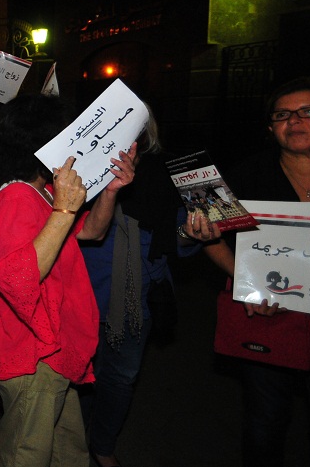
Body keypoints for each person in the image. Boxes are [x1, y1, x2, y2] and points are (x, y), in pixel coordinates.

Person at [0, 93, 136, 467]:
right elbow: (18, 280)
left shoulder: (40, 191)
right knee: (26, 455)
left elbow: (93, 232)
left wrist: (110, 190)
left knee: (67, 449)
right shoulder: (15, 195)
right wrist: (64, 208)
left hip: (51, 346)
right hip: (31, 352)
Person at [78, 105, 213, 467]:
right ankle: (76, 439)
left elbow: (180, 241)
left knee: (121, 378)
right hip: (81, 293)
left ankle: (102, 444)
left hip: (136, 299)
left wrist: (193, 233)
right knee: (80, 374)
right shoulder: (77, 168)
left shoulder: (170, 172)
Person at [203, 76, 310, 467]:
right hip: (268, 320)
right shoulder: (244, 176)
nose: (295, 121)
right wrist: (251, 285)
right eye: (282, 115)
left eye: (309, 111)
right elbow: (209, 237)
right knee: (264, 427)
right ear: (271, 128)